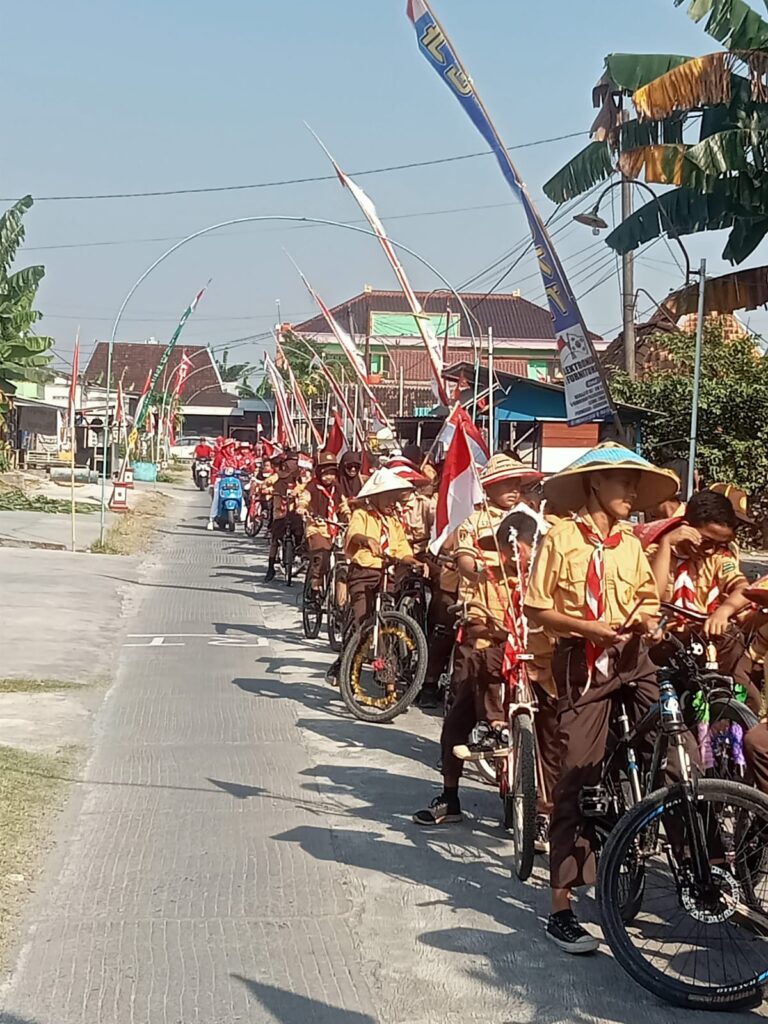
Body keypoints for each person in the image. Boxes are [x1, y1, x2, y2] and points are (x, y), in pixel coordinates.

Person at [524, 442, 681, 954]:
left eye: (635, 483)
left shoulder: (631, 542)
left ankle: (701, 860)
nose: (632, 492)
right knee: (578, 769)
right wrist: (586, 626)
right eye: (622, 482)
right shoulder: (561, 538)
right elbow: (537, 609)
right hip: (582, 660)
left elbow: (644, 599)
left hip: (632, 658)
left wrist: (647, 621)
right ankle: (561, 905)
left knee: (675, 742)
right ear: (595, 484)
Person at [412, 454, 545, 826]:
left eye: (519, 482)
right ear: (489, 487)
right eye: (507, 483)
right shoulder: (474, 522)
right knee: (458, 719)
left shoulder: (535, 522)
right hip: (484, 629)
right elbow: (466, 562)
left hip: (529, 634)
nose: (515, 489)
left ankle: (539, 808)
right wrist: (491, 567)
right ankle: (450, 797)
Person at [325, 467, 423, 685]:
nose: (392, 503)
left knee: (386, 622)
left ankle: (387, 665)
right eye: (388, 498)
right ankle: (347, 664)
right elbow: (353, 534)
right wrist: (366, 541)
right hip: (363, 574)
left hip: (387, 577)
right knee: (364, 621)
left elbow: (401, 549)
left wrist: (414, 561)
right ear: (375, 497)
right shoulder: (362, 515)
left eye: (394, 499)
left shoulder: (394, 522)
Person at [647, 489, 750, 671]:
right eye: (707, 541)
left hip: (704, 638)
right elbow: (652, 595)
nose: (711, 550)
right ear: (686, 527)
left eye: (720, 544)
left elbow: (742, 588)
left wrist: (725, 610)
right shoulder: (656, 553)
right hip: (663, 638)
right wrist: (666, 544)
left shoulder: (718, 558)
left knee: (733, 644)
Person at [297, 452, 341, 602]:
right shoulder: (312, 486)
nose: (329, 477)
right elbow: (304, 499)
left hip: (334, 529)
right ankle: (314, 588)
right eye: (326, 473)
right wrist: (302, 508)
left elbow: (344, 505)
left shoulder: (337, 488)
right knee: (321, 556)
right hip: (316, 527)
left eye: (332, 473)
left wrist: (349, 515)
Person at [264, 452, 303, 583]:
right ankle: (270, 567)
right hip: (279, 512)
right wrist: (267, 490)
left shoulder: (299, 478)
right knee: (275, 539)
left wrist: (298, 493)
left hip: (294, 512)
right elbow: (267, 483)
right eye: (290, 461)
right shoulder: (277, 476)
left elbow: (305, 487)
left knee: (299, 531)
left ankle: (298, 553)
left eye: (295, 462)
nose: (292, 465)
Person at [207, 438, 238, 530]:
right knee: (216, 499)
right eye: (229, 447)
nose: (231, 449)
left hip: (233, 481)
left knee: (241, 496)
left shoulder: (234, 457)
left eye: (232, 446)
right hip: (220, 480)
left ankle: (244, 517)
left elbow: (240, 467)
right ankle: (211, 520)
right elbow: (214, 470)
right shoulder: (220, 457)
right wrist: (212, 483)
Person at [338, 451, 364, 518]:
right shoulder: (334, 483)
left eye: (357, 466)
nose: (353, 469)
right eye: (349, 466)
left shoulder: (363, 483)